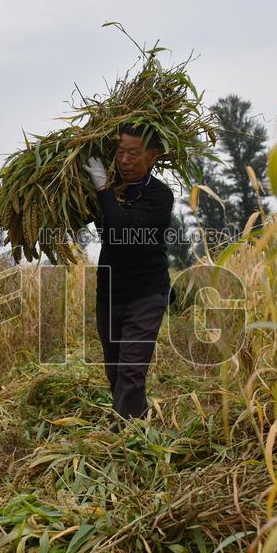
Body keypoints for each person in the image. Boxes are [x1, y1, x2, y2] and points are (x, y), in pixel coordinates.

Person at [84, 123, 174, 430]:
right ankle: (136, 427)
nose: (124, 160)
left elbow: (122, 231)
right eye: (120, 152)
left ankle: (125, 437)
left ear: (152, 156)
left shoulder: (159, 196)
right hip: (109, 293)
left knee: (131, 370)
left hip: (146, 293)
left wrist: (102, 190)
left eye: (133, 153)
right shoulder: (108, 192)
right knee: (115, 370)